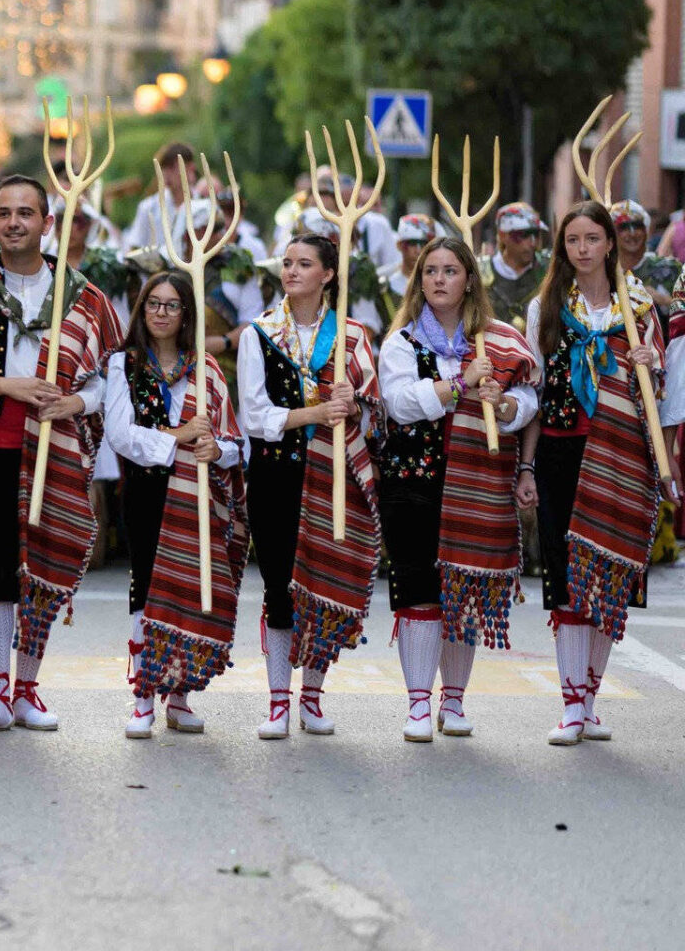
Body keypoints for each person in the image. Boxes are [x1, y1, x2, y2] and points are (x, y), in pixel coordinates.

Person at [0, 174, 121, 733]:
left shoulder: (80, 295)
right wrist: (7, 386)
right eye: (5, 213)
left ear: (47, 223)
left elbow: (105, 380)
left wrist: (75, 402)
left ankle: (27, 689)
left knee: (41, 563)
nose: (14, 223)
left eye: (26, 213)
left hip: (53, 442)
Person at [515, 202, 667, 747]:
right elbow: (535, 394)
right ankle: (572, 705)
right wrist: (526, 466)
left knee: (610, 577)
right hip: (562, 452)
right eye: (572, 240)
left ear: (610, 244)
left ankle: (591, 700)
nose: (582, 249)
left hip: (623, 455)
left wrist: (650, 366)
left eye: (592, 238)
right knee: (566, 577)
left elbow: (662, 395)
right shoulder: (546, 308)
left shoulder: (640, 307)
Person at [377, 237, 537, 741]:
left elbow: (529, 400)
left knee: (463, 592)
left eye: (450, 270)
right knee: (419, 591)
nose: (439, 279)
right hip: (413, 480)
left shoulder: (498, 340)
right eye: (431, 271)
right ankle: (418, 704)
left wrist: (505, 405)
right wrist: (460, 384)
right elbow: (399, 404)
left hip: (475, 482)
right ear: (419, 280)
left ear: (469, 279)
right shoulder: (402, 342)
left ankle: (454, 700)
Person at [237, 233, 380, 739]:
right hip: (275, 473)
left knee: (323, 587)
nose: (291, 271)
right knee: (279, 586)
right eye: (287, 263)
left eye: (304, 264)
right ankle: (278, 701)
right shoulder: (258, 333)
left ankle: (313, 697)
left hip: (331, 472)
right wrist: (316, 412)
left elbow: (375, 412)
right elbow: (255, 416)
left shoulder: (352, 335)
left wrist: (354, 401)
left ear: (329, 274)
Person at [100, 272, 245, 737]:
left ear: (186, 314)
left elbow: (234, 440)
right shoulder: (124, 364)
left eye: (172, 305)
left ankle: (180, 695)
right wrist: (177, 437)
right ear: (142, 310)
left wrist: (216, 450)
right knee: (146, 588)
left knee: (189, 589)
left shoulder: (206, 369)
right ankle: (143, 697)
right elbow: (120, 434)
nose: (161, 313)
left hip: (198, 492)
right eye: (153, 303)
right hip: (147, 490)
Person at [485, 202, 548, 328]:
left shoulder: (548, 270)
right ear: (503, 235)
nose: (532, 243)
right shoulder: (480, 272)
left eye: (535, 234)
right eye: (523, 235)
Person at [123, 143, 194, 252]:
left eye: (173, 167)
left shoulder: (204, 205)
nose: (167, 173)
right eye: (164, 168)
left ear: (190, 168)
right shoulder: (148, 207)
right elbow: (134, 247)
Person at [611, 200, 682, 306]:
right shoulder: (603, 270)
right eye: (624, 227)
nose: (632, 233)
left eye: (637, 226)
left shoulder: (670, 268)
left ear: (647, 231)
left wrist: (664, 300)